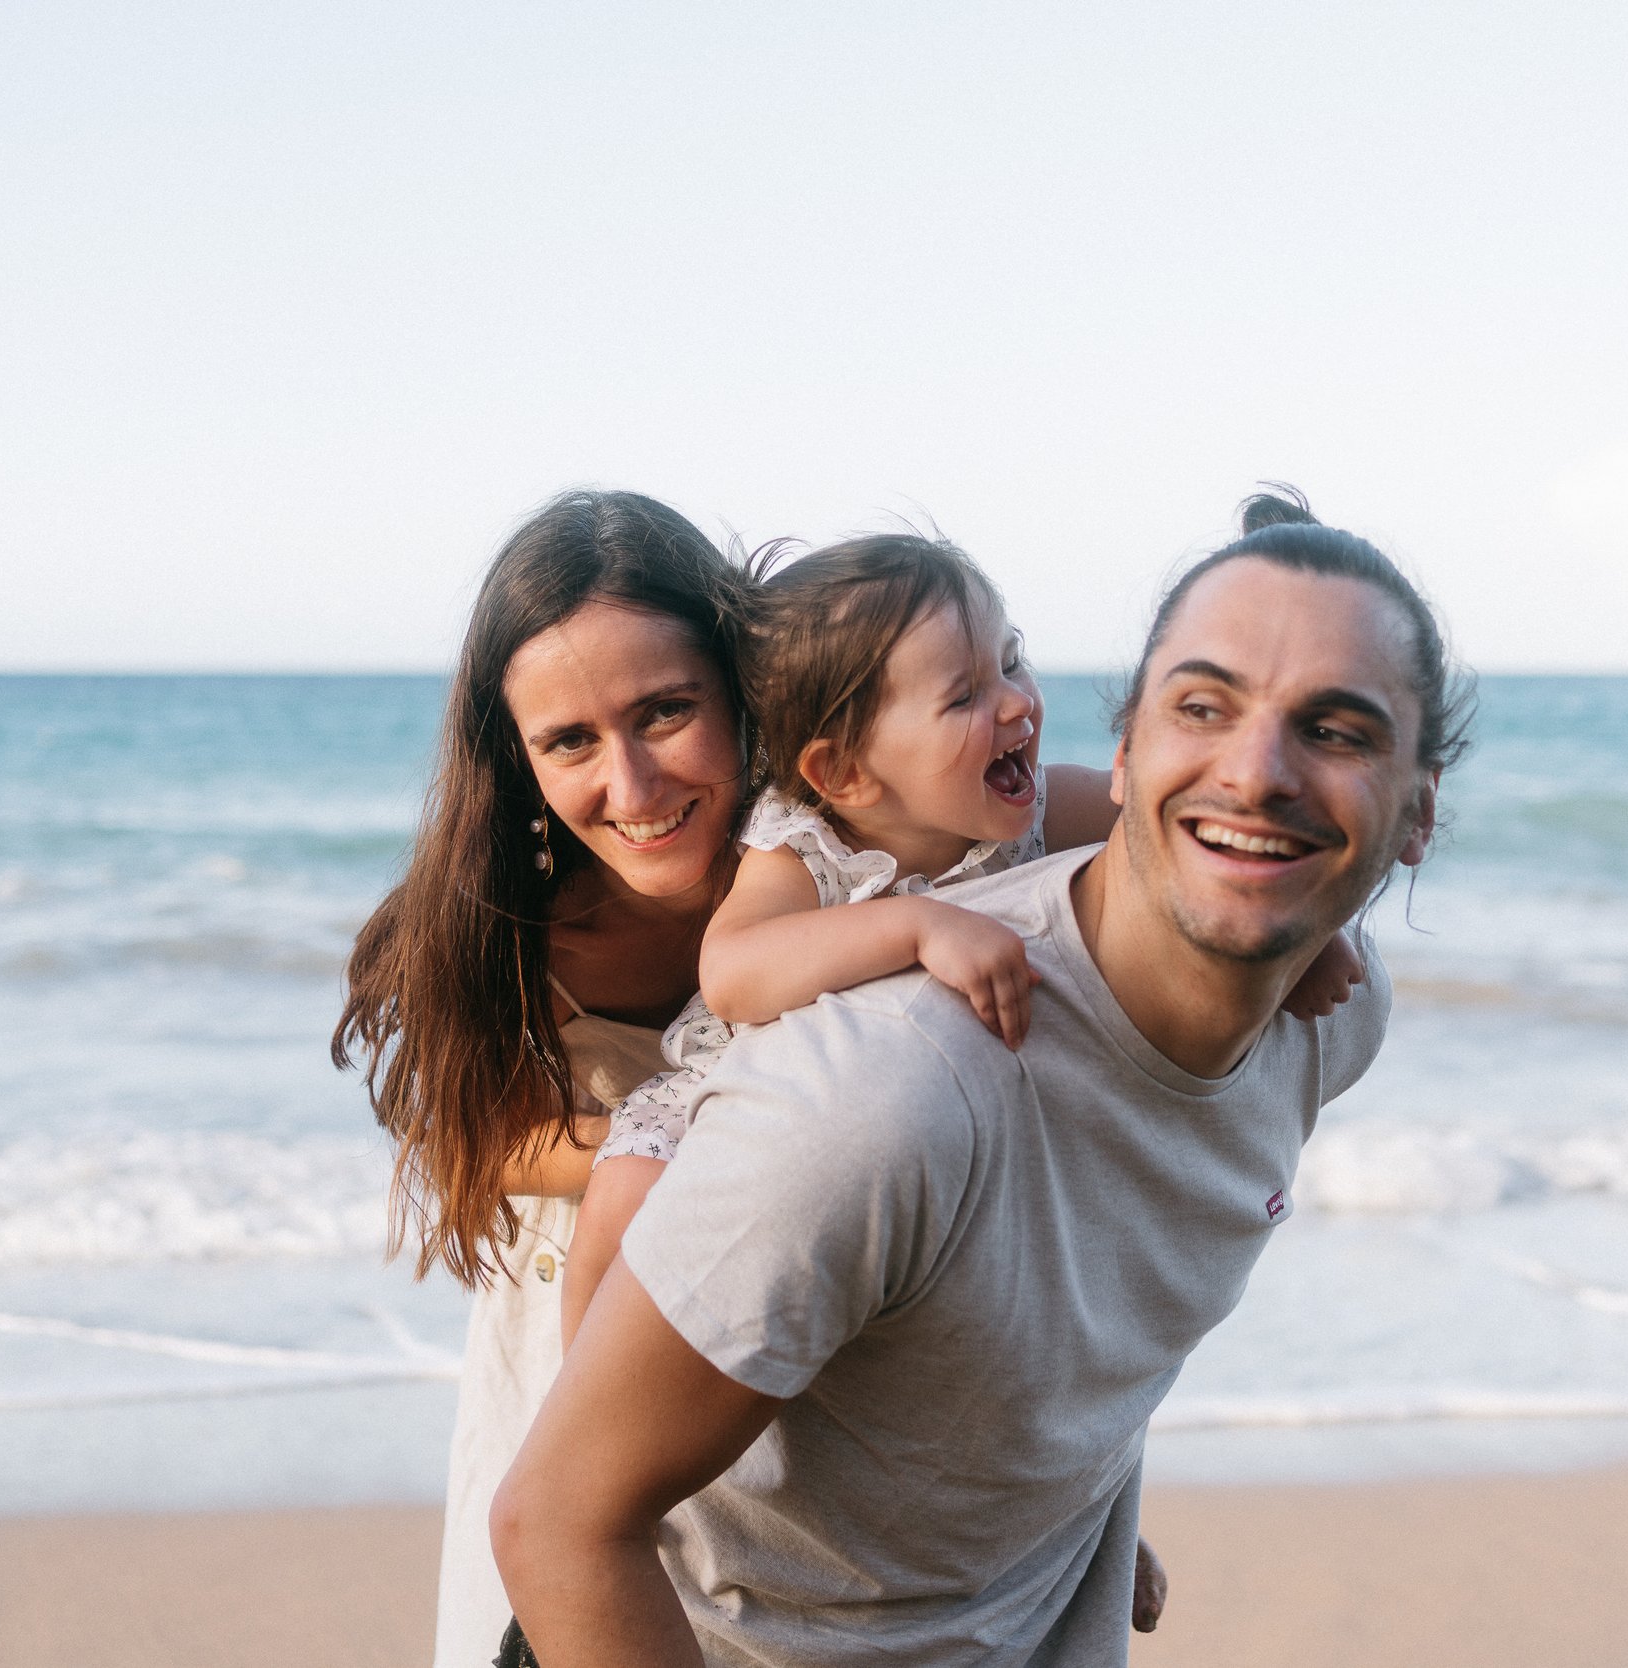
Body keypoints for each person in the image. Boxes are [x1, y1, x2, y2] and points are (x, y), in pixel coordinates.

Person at [491, 488, 1473, 1666]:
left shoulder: (1325, 1022)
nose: (1254, 772)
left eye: (1337, 730)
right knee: (628, 1217)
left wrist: (1084, 1508)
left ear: (1419, 814)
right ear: (1130, 753)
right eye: (1202, 707)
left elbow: (1054, 1312)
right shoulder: (871, 1087)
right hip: (700, 1599)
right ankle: (580, 1400)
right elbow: (558, 1521)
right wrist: (911, 934)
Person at [561, 531, 1368, 1343]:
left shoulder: (1051, 807)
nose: (1017, 703)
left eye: (1012, 661)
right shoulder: (807, 849)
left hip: (922, 1132)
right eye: (964, 697)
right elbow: (735, 973)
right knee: (623, 1190)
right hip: (736, 1094)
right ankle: (580, 1418)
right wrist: (915, 925)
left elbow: (1196, 844)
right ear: (845, 774)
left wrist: (1288, 931)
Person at [331, 489, 757, 1668]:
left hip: (779, 1331)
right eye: (569, 742)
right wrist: (672, 1138)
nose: (630, 784)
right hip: (560, 1341)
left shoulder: (827, 866)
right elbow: (470, 1139)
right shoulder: (498, 918)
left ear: (740, 686)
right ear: (516, 758)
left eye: (666, 712)